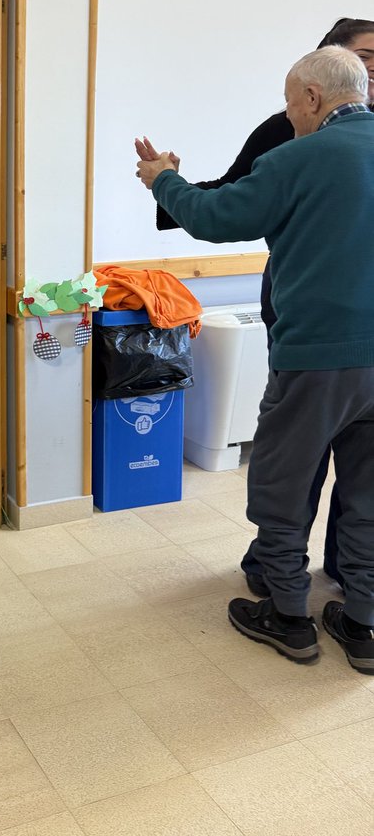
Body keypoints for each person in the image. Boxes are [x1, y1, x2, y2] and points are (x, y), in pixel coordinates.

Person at [136, 46, 374, 672]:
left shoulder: (298, 157)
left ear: (315, 99)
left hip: (317, 358)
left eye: (291, 101)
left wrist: (163, 178)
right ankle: (363, 622)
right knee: (371, 492)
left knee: (283, 481)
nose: (289, 113)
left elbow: (217, 217)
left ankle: (289, 616)